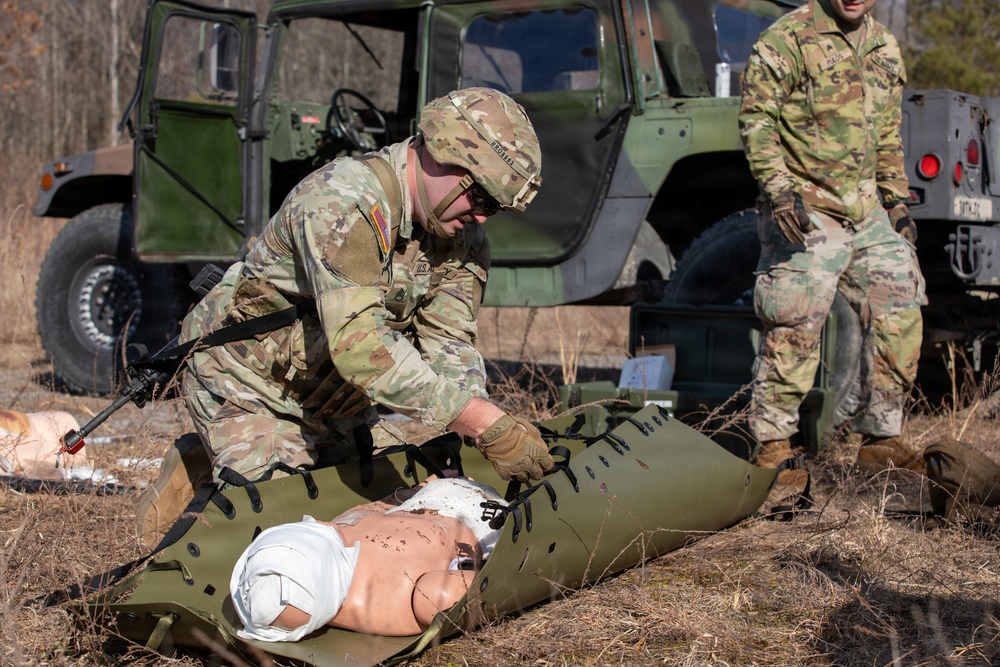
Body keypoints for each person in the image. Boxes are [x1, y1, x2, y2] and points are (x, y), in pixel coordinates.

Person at [138, 88, 553, 536]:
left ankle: (225, 455)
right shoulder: (344, 201)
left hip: (337, 400)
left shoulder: (464, 240)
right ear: (444, 155)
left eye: (497, 208)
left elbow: (449, 342)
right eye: (483, 199)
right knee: (290, 536)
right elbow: (362, 348)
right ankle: (205, 466)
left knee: (408, 494)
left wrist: (477, 426)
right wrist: (480, 419)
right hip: (248, 382)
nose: (484, 218)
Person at [738, 0, 925, 476]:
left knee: (901, 298)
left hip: (866, 209)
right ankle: (773, 445)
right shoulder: (788, 37)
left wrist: (897, 203)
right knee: (796, 314)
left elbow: (886, 135)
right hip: (806, 207)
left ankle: (880, 437)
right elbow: (756, 121)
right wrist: (780, 192)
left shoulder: (885, 47)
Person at [230, 473, 504, 639]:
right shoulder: (414, 599)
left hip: (435, 494)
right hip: (488, 519)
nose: (326, 525)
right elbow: (501, 571)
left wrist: (424, 486)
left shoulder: (330, 536)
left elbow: (373, 510)